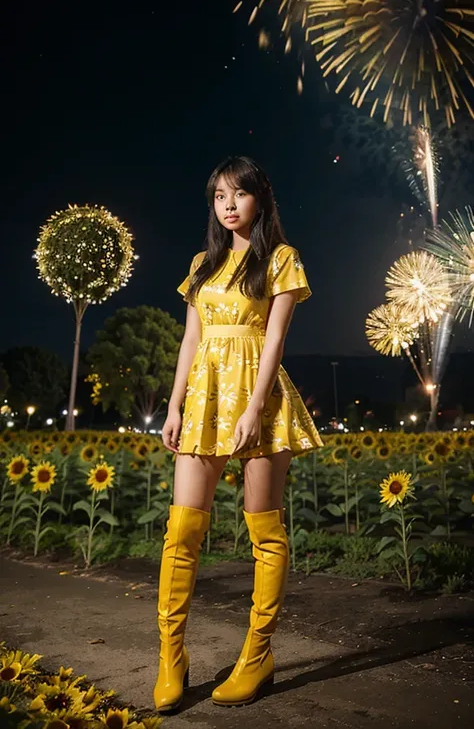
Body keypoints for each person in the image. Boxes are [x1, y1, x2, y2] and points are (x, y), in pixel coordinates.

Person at [153, 155, 322, 712]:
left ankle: (257, 656)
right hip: (203, 401)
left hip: (260, 401)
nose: (228, 205)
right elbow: (190, 342)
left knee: (264, 533)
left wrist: (254, 407)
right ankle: (170, 659)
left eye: (238, 194)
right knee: (181, 532)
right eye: (219, 196)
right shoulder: (203, 263)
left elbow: (274, 341)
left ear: (260, 200)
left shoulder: (280, 259)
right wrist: (173, 406)